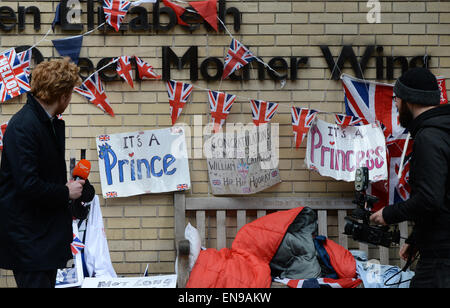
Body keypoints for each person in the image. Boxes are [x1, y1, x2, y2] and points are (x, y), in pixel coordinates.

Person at [0, 58, 86, 288]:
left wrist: (65, 188)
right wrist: (65, 191)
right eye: (70, 93)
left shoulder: (43, 122)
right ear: (63, 95)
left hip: (42, 239)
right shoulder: (24, 126)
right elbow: (27, 185)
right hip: (30, 241)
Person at [370, 67, 450, 288]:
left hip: (441, 260)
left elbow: (430, 199)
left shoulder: (429, 137)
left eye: (396, 98)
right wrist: (416, 239)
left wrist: (388, 213)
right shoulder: (442, 131)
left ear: (410, 100)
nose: (395, 105)